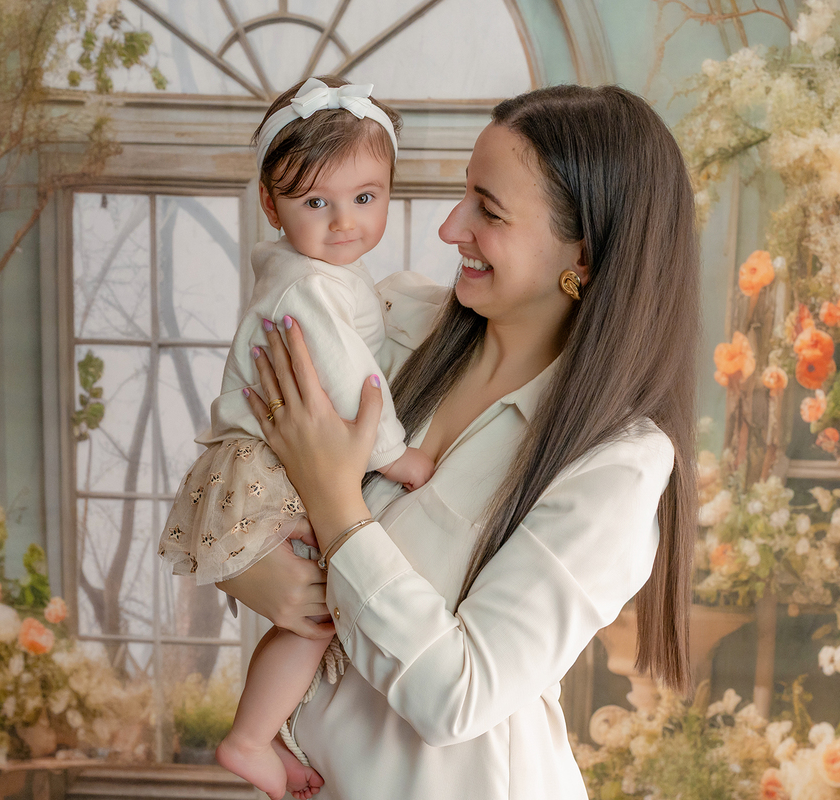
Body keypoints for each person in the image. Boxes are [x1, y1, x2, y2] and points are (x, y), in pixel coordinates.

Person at [218, 83, 701, 799]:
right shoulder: (392, 322)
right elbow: (238, 461)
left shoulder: (616, 465)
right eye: (464, 194)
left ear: (586, 257)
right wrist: (244, 568)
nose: (450, 227)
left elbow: (458, 696)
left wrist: (334, 506)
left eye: (489, 210)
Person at [157, 76, 435, 800]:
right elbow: (349, 382)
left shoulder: (321, 273)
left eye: (366, 198)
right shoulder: (306, 287)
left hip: (260, 466)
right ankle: (251, 739)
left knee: (312, 614)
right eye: (317, 202)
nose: (345, 222)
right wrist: (395, 456)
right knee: (314, 617)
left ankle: (269, 738)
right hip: (263, 471)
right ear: (270, 203)